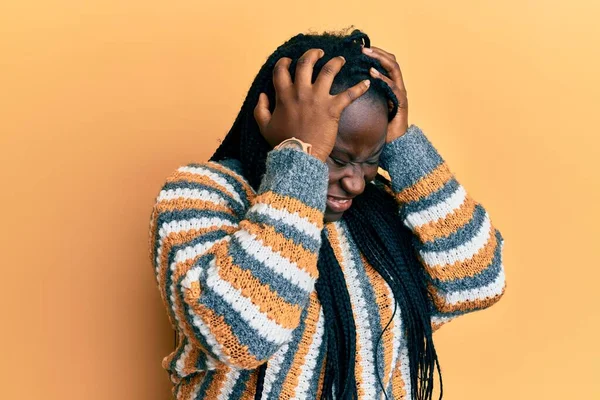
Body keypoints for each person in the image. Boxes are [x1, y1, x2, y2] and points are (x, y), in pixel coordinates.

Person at [148, 29, 506, 400]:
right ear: (275, 122)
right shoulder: (201, 194)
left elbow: (476, 284)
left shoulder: (383, 212)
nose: (355, 182)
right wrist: (301, 160)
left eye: (370, 158)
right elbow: (237, 337)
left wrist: (403, 147)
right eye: (335, 157)